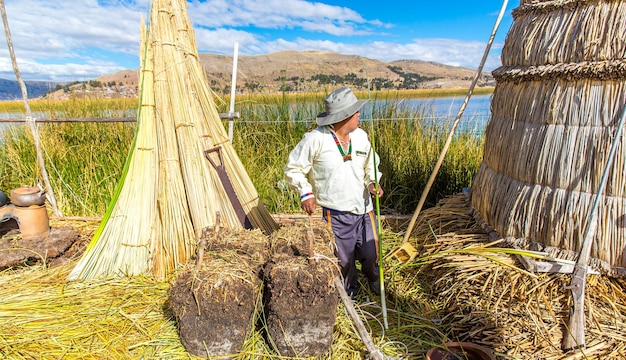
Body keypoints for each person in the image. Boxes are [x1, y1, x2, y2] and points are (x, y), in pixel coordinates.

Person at [284, 87, 384, 298]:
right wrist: (306, 193)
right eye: (355, 111)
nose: (359, 114)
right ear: (344, 116)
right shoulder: (315, 139)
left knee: (371, 252)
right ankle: (350, 295)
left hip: (365, 209)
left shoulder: (361, 136)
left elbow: (371, 163)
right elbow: (294, 168)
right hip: (337, 213)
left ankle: (375, 280)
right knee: (343, 260)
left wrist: (372, 181)